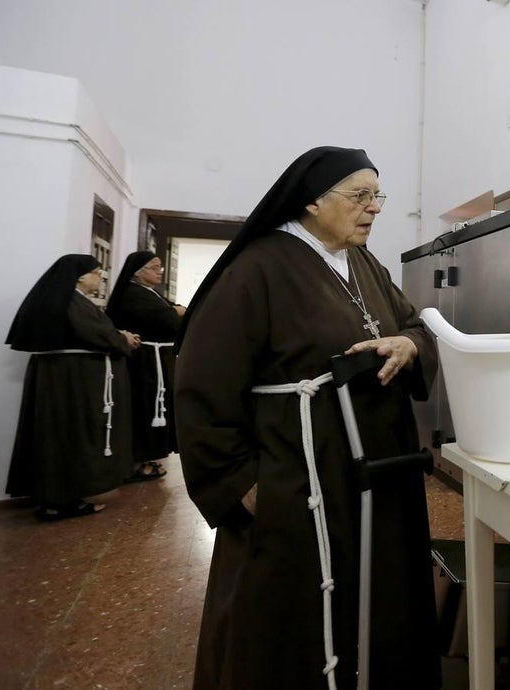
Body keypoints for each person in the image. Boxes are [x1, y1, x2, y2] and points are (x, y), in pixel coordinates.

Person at [174, 146, 440, 689]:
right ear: (313, 203)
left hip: (375, 474)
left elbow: (415, 324)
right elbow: (203, 384)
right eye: (360, 195)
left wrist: (408, 347)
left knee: (375, 592)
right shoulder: (258, 268)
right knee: (293, 609)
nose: (375, 208)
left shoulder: (364, 262)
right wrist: (240, 484)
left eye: (377, 195)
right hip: (299, 475)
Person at [5, 254, 140, 520]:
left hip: (63, 380)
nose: (99, 277)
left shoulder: (65, 298)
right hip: (73, 383)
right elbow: (97, 333)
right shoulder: (70, 300)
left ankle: (58, 498)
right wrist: (122, 338)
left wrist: (116, 336)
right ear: (80, 276)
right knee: (70, 438)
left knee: (59, 438)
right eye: (96, 272)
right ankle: (60, 501)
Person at [106, 251, 185, 482]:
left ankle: (149, 456)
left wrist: (175, 312)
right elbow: (170, 319)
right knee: (143, 408)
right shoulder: (133, 294)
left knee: (155, 408)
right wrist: (175, 312)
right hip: (143, 363)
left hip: (157, 359)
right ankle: (137, 460)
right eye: (154, 267)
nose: (160, 271)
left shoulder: (149, 293)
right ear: (138, 272)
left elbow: (175, 313)